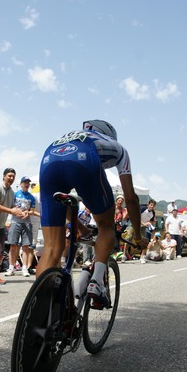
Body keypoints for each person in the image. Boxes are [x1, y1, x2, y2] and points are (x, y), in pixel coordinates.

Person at [37, 119, 143, 308]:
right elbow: (131, 198)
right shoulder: (118, 147)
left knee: (52, 248)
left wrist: (81, 227)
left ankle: (40, 311)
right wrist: (138, 235)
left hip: (48, 159)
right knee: (106, 226)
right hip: (85, 157)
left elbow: (63, 201)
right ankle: (97, 283)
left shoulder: (68, 136)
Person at [5, 176, 37, 277]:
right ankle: (11, 267)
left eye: (28, 183)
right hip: (15, 222)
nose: (26, 184)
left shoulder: (32, 197)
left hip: (27, 223)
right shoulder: (15, 194)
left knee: (26, 247)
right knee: (13, 245)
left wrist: (28, 213)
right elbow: (10, 206)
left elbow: (32, 210)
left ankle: (25, 268)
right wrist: (15, 209)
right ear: (21, 184)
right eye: (25, 182)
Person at [139, 200, 157, 264]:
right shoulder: (142, 209)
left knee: (145, 241)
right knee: (129, 237)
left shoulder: (153, 213)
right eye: (151, 205)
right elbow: (137, 217)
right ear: (148, 205)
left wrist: (150, 223)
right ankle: (124, 255)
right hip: (136, 225)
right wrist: (143, 223)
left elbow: (152, 221)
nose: (152, 206)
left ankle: (142, 257)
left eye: (153, 206)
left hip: (143, 227)